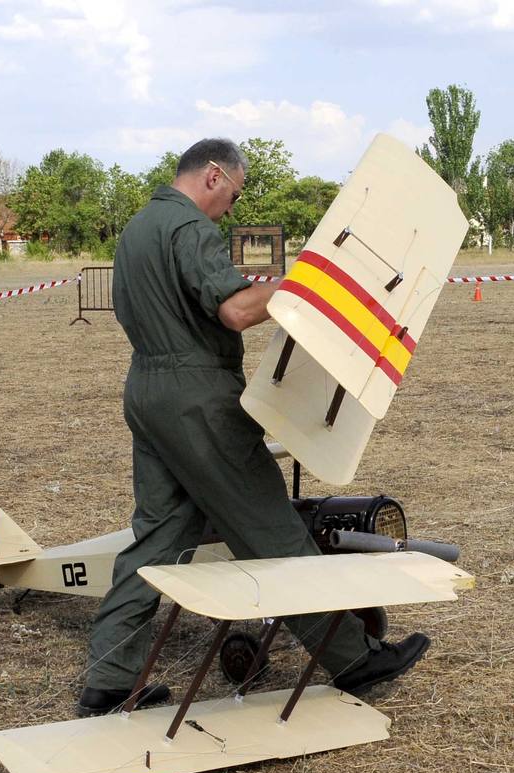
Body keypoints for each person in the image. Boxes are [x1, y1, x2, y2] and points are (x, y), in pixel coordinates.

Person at [78, 138, 430, 716]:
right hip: (198, 397)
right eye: (234, 196)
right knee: (273, 528)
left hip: (147, 387)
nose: (231, 211)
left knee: (157, 539)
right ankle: (351, 658)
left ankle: (110, 680)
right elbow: (237, 310)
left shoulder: (138, 228)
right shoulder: (189, 228)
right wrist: (304, 285)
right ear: (213, 176)